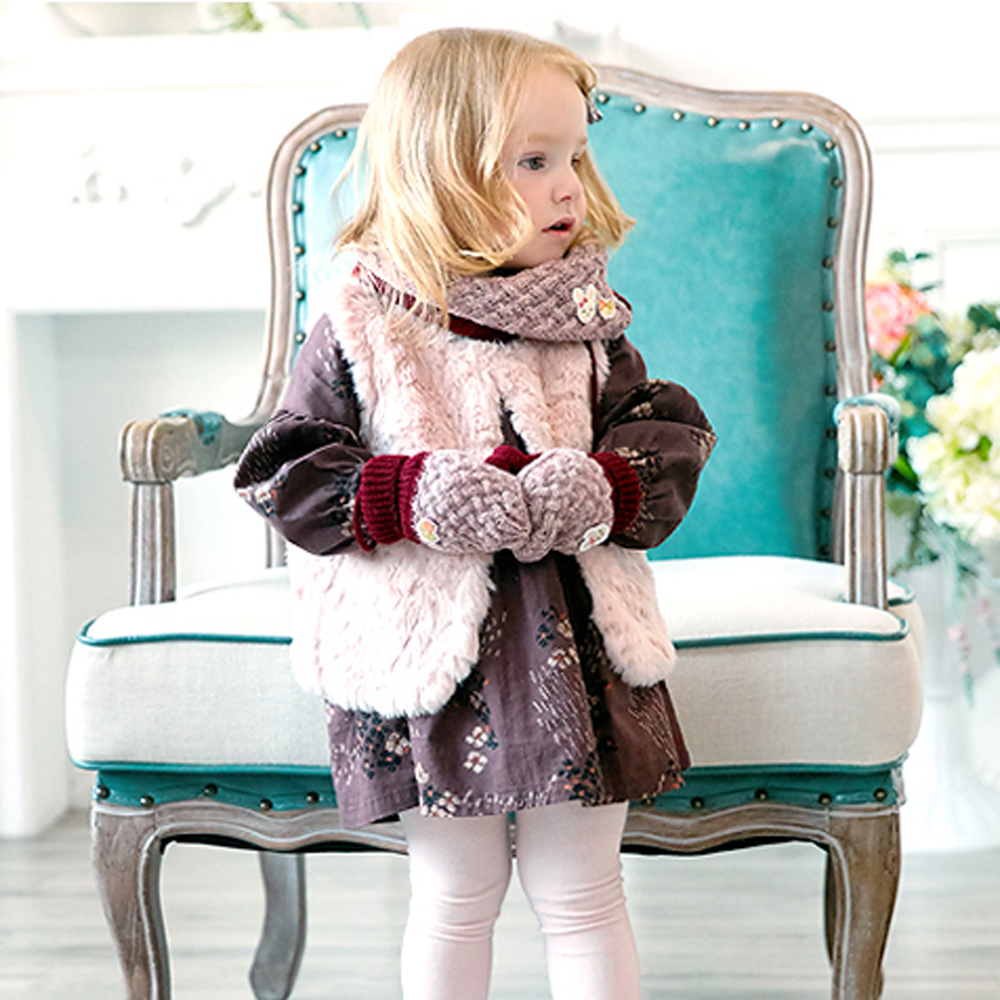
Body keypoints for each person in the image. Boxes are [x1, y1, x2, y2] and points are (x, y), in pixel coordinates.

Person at [235, 27, 716, 1000]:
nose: (568, 186)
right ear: (440, 170)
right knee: (455, 894)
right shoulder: (366, 319)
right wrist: (410, 493)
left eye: (574, 157)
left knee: (583, 893)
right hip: (429, 662)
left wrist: (604, 482)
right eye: (534, 162)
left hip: (575, 647)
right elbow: (289, 470)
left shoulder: (585, 318)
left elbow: (662, 435)